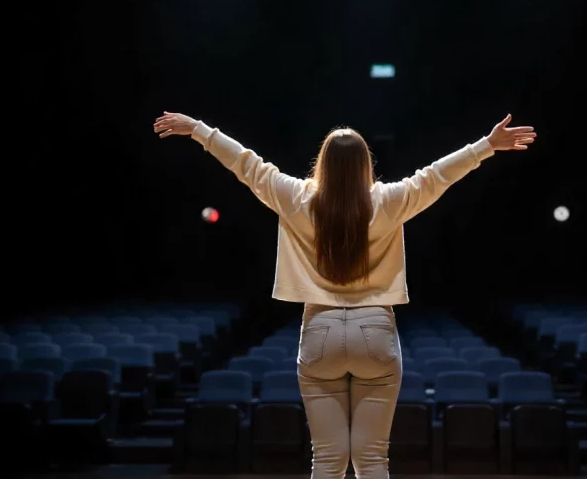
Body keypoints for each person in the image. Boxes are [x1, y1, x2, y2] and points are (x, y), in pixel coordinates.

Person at [153, 112, 536, 479]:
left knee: (327, 457)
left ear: (323, 163)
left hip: (320, 330)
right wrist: (487, 145)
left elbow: (246, 164)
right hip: (375, 331)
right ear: (364, 165)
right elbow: (437, 176)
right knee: (372, 458)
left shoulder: (297, 198)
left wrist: (198, 129)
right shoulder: (387, 201)